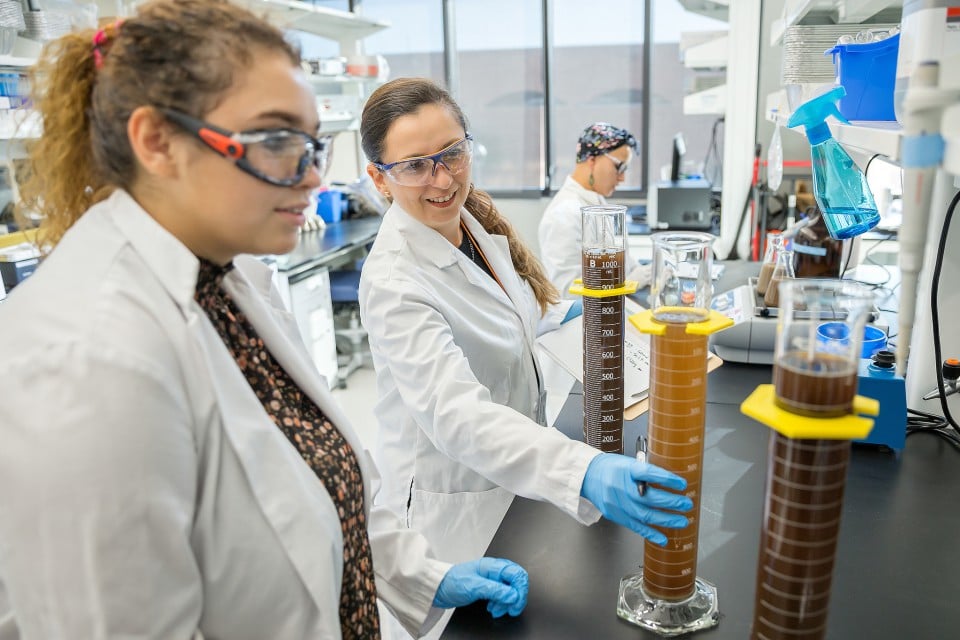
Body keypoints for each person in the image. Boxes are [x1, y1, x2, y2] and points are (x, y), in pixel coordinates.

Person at [0, 3, 528, 638]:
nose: (311, 177)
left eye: (312, 144)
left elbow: (320, 469)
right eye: (277, 142)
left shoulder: (232, 272)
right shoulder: (87, 355)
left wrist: (422, 575)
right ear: (156, 142)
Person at [358, 78, 692, 575]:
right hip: (453, 507)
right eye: (413, 166)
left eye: (452, 153)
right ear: (381, 178)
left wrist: (563, 315)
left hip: (514, 481)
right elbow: (457, 416)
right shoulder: (394, 280)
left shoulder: (473, 228)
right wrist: (583, 470)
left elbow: (512, 313)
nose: (443, 179)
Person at [538, 122, 652, 299]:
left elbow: (621, 263)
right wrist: (632, 281)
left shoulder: (596, 200)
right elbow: (567, 292)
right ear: (592, 159)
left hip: (613, 305)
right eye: (619, 167)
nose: (622, 177)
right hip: (585, 321)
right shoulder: (564, 215)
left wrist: (649, 272)